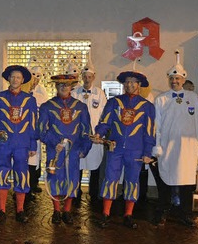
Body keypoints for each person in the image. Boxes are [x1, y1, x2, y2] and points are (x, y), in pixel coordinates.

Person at [93, 61, 155, 229]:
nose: (129, 85)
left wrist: (148, 151)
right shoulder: (114, 102)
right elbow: (105, 122)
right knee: (110, 178)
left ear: (139, 84)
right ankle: (106, 213)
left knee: (132, 181)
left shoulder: (147, 106)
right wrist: (99, 133)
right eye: (127, 82)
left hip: (136, 150)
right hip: (115, 147)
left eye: (133, 82)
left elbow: (149, 132)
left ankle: (128, 214)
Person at [153, 52, 198, 226]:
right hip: (168, 147)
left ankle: (185, 213)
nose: (174, 81)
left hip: (188, 148)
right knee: (166, 181)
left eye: (177, 78)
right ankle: (163, 211)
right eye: (172, 78)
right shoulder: (161, 99)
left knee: (186, 182)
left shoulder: (193, 98)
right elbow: (157, 125)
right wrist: (157, 146)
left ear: (183, 80)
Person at [39, 66, 91, 225]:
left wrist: (84, 149)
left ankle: (67, 210)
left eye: (67, 85)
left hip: (74, 150)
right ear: (56, 86)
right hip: (55, 151)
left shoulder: (81, 107)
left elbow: (86, 130)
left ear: (72, 87)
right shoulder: (47, 106)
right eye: (60, 85)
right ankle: (56, 210)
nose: (64, 88)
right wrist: (54, 143)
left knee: (72, 179)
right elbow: (41, 130)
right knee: (54, 178)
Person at [0, 65, 38, 223]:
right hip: (3, 143)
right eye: (12, 76)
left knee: (22, 174)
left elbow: (33, 123)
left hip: (22, 144)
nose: (15, 79)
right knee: (2, 173)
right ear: (8, 78)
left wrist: (33, 144)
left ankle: (20, 210)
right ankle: (1, 210)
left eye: (18, 77)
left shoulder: (30, 100)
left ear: (23, 80)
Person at [71, 53, 107, 202]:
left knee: (95, 165)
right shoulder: (74, 93)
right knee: (77, 165)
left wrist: (100, 133)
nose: (87, 78)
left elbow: (104, 115)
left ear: (94, 77)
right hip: (79, 136)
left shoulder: (100, 93)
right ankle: (76, 191)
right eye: (84, 76)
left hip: (95, 136)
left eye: (89, 76)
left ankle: (93, 192)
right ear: (81, 76)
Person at [25, 64, 48, 202]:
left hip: (36, 131)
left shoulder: (42, 93)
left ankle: (32, 185)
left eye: (39, 76)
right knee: (23, 161)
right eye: (34, 76)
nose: (36, 80)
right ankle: (23, 188)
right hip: (23, 133)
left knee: (35, 160)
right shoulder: (22, 92)